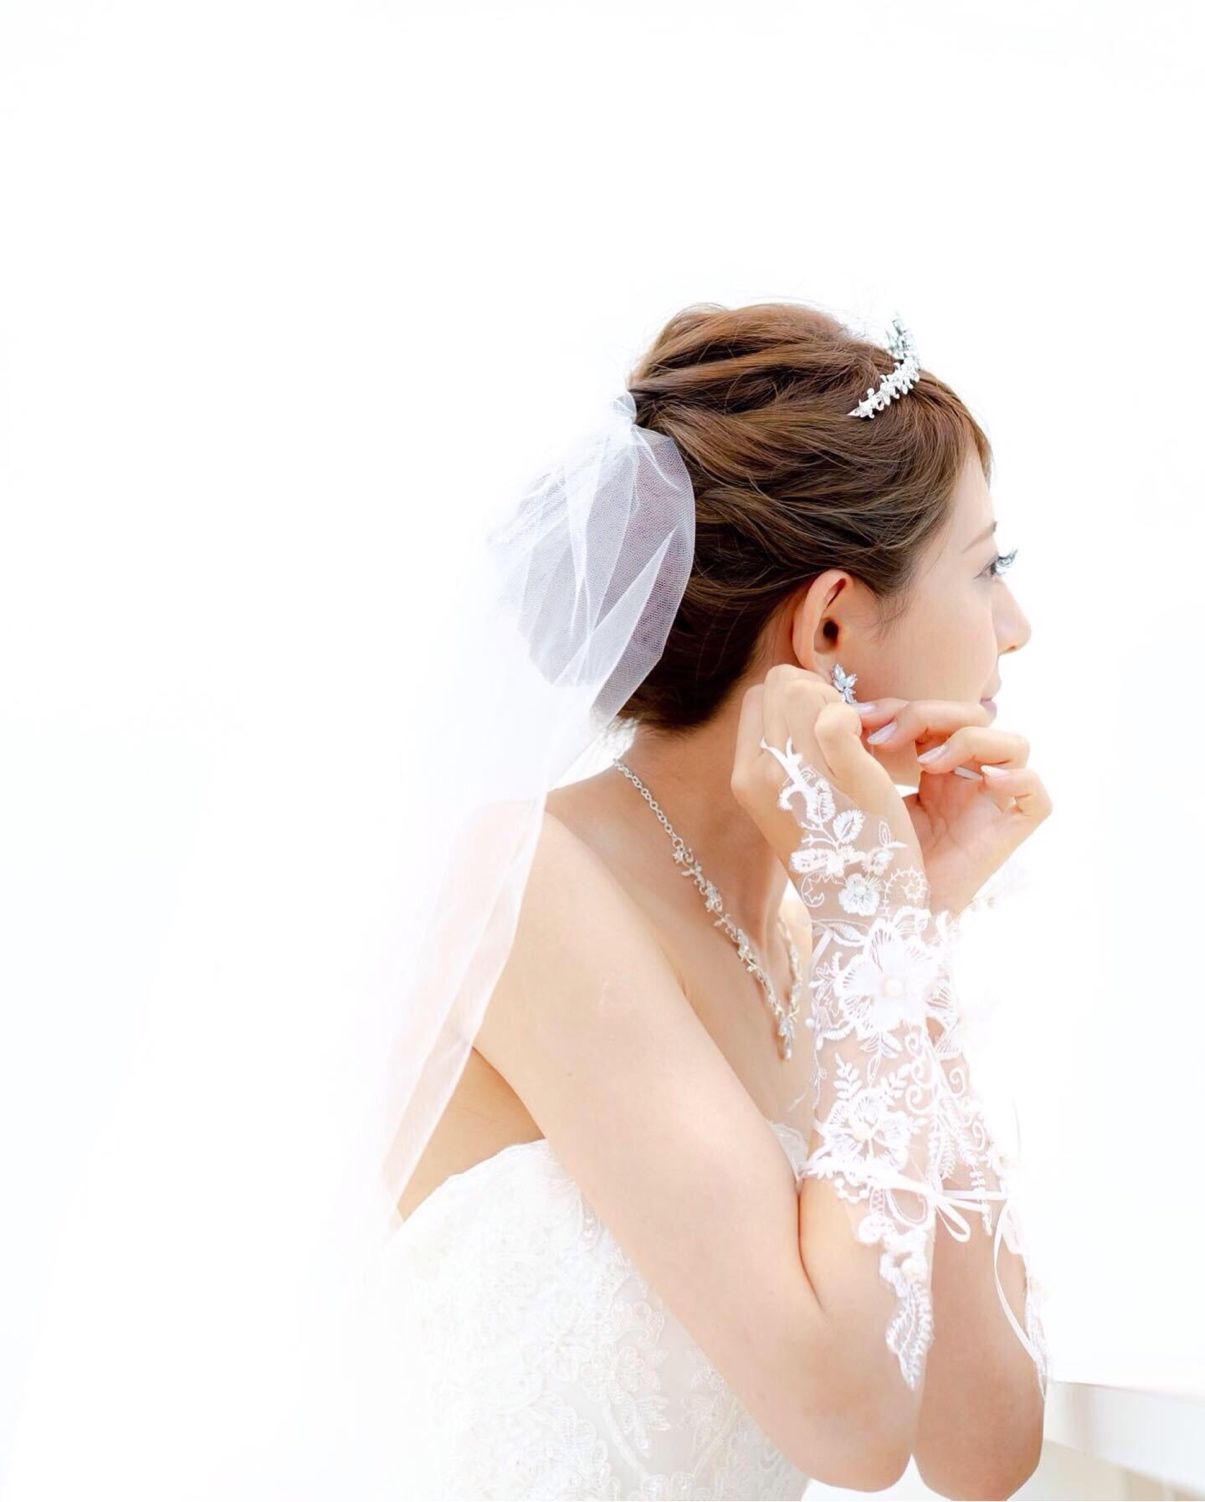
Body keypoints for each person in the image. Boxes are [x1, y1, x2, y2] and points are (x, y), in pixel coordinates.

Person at [354, 302, 1053, 1499]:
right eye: (988, 567)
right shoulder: (524, 882)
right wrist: (873, 920)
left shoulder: (828, 941)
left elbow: (978, 1446)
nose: (1014, 628)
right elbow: (848, 1421)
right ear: (828, 623)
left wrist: (902, 932)